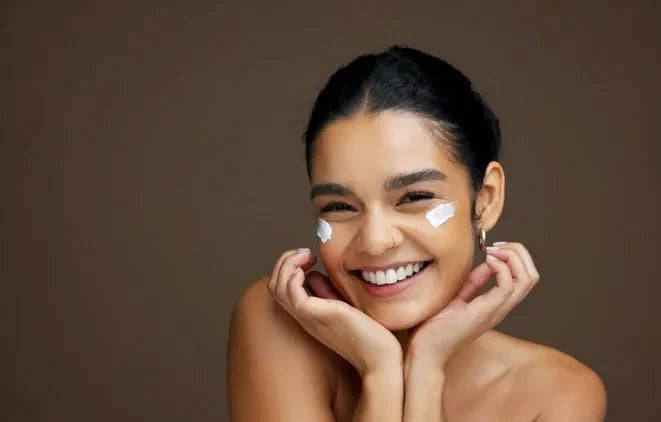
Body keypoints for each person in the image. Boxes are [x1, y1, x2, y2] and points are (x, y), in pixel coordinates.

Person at [227, 45, 606, 421]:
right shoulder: (277, 320)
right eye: (339, 207)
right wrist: (381, 372)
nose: (375, 240)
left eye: (415, 197)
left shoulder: (560, 394)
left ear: (485, 200)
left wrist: (426, 368)